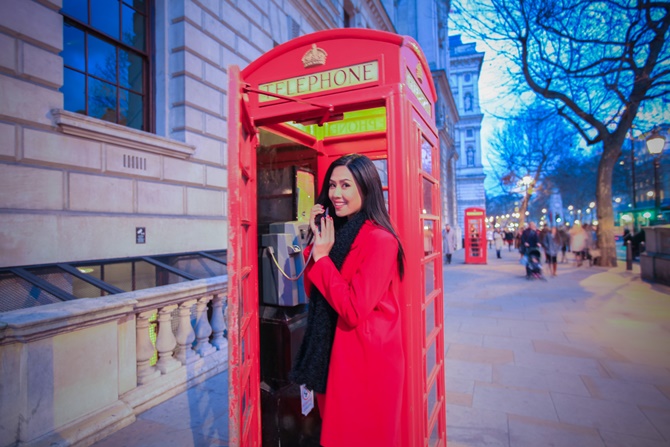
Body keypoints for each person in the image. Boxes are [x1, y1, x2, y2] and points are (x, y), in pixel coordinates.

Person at [290, 154, 405, 447]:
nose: (336, 194)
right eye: (332, 185)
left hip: (365, 363)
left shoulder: (381, 240)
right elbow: (313, 290)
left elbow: (354, 309)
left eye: (345, 185)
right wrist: (316, 239)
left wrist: (323, 257)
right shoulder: (338, 234)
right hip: (332, 355)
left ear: (366, 188)